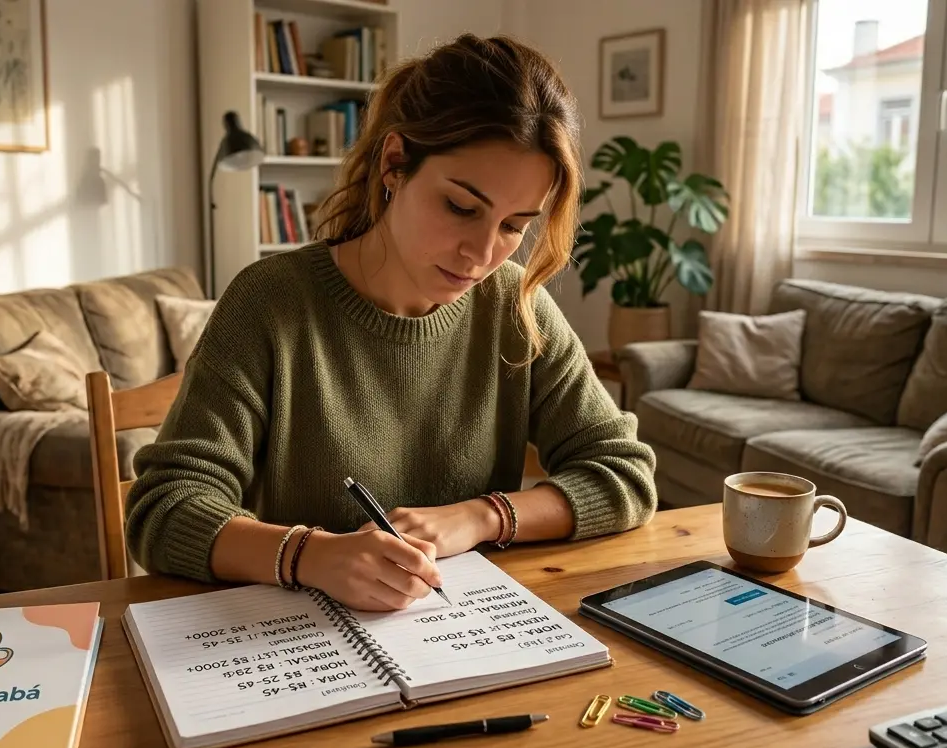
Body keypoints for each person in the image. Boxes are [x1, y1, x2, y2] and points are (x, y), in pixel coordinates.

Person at [126, 33, 657, 612]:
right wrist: (309, 554)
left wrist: (482, 516)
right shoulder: (270, 303)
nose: (481, 254)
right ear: (395, 163)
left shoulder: (514, 305)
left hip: (461, 641)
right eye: (461, 207)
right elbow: (165, 506)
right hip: (298, 652)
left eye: (514, 226)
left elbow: (625, 473)